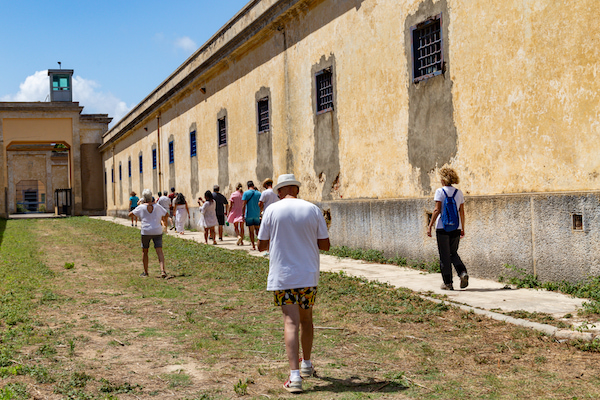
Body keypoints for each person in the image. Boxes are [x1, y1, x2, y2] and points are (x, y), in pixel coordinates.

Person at [257, 174, 330, 393]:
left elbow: (261, 245)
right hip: (307, 275)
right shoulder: (313, 209)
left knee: (291, 321)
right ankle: (306, 364)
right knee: (307, 319)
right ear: (296, 190)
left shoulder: (271, 210)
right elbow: (325, 245)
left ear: (279, 192)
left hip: (284, 276)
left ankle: (295, 376)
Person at [427, 167, 469, 290]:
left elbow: (436, 210)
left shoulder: (440, 191)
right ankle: (462, 273)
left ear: (443, 179)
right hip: (456, 227)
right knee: (453, 253)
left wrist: (430, 226)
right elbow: (462, 212)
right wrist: (462, 227)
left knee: (444, 256)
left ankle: (448, 283)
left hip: (442, 227)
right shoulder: (459, 193)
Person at [128, 189, 168, 278]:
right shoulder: (157, 206)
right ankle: (162, 270)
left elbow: (130, 214)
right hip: (157, 230)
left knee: (145, 251)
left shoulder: (141, 207)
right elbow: (166, 214)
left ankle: (146, 272)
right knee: (159, 251)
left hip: (146, 231)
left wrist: (139, 206)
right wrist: (163, 222)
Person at [242, 180, 261, 250]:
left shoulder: (246, 193)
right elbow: (261, 204)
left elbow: (244, 204)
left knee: (251, 231)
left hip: (249, 214)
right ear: (253, 185)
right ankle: (259, 244)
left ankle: (253, 245)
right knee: (258, 230)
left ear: (247, 186)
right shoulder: (259, 193)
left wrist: (242, 214)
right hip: (256, 214)